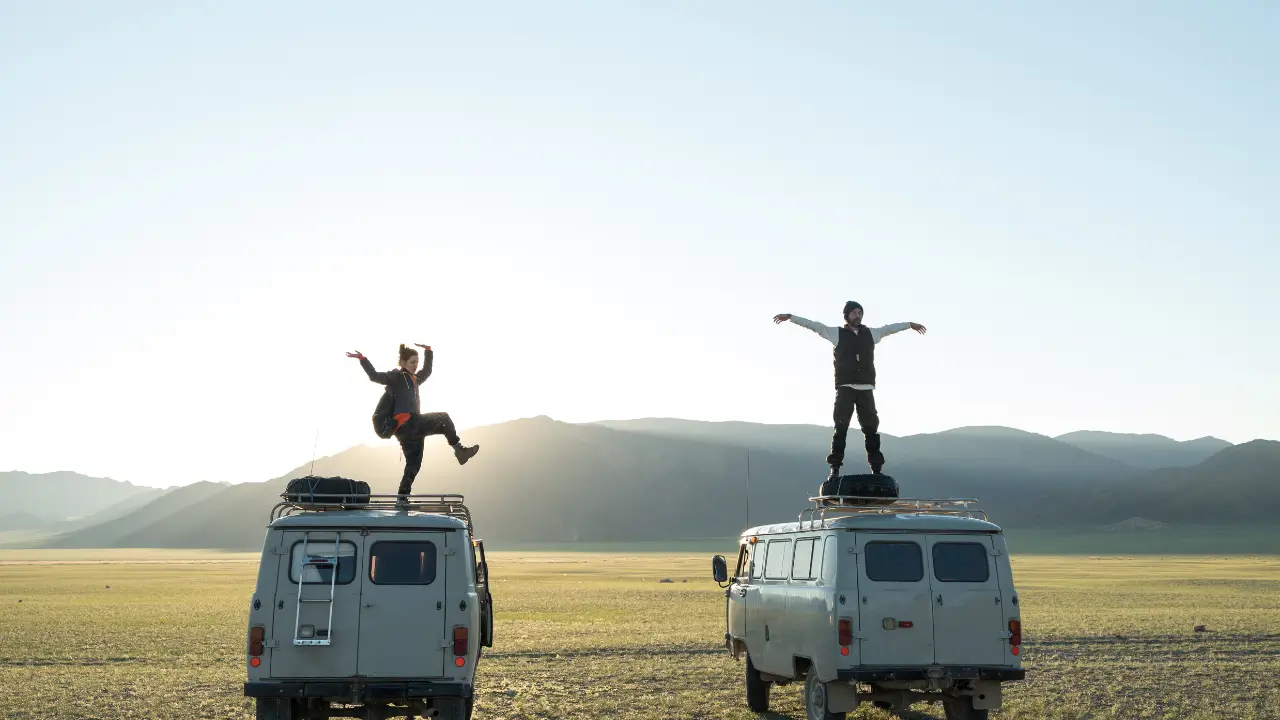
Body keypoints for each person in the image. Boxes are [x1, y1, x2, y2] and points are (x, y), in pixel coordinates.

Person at [773, 301, 926, 480]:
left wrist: (909, 325)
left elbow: (889, 329)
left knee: (871, 430)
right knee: (841, 428)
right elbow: (814, 326)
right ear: (847, 315)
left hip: (866, 388)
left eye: (860, 312)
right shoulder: (836, 333)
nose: (857, 314)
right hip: (845, 387)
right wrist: (791, 318)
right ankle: (835, 469)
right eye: (854, 312)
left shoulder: (872, 334)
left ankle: (876, 470)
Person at [346, 343, 479, 502]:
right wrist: (363, 359)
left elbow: (427, 371)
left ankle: (402, 498)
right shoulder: (397, 377)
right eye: (412, 362)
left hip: (407, 432)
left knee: (413, 465)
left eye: (417, 362)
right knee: (444, 418)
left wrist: (428, 351)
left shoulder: (414, 379)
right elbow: (374, 376)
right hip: (408, 422)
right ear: (402, 363)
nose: (415, 366)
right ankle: (459, 450)